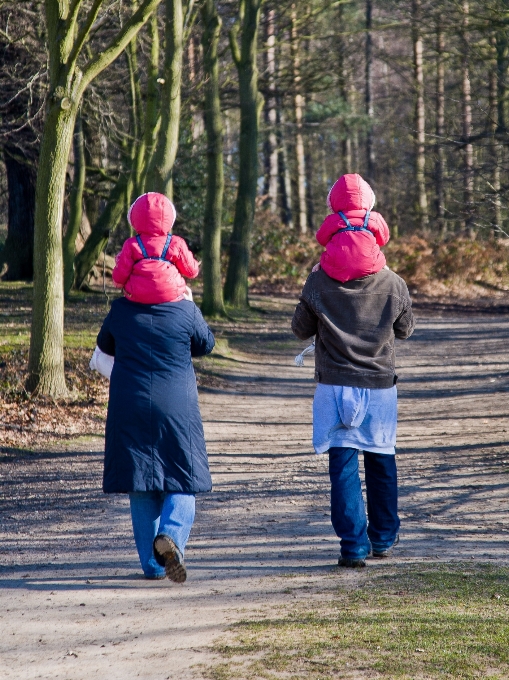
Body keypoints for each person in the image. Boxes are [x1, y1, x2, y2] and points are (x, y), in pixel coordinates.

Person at [292, 245, 415, 568]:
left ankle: (353, 546)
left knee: (343, 466)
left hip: (334, 385)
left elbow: (299, 329)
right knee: (381, 461)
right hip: (378, 387)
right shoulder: (393, 283)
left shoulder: (318, 281)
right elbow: (405, 330)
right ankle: (384, 537)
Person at [96, 293, 215, 582]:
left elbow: (104, 345)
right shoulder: (185, 309)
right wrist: (187, 302)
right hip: (175, 406)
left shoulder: (121, 310)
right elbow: (206, 343)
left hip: (130, 404)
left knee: (140, 484)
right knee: (184, 478)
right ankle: (170, 536)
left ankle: (153, 565)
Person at [112, 192, 200, 304]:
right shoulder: (176, 243)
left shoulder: (131, 244)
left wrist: (118, 282)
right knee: (195, 318)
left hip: (137, 297)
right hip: (171, 296)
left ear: (134, 216)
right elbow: (191, 272)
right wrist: (195, 264)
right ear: (170, 216)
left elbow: (119, 278)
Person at [316, 173, 390, 283]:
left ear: (333, 198)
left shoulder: (333, 220)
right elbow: (384, 239)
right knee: (383, 267)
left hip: (337, 266)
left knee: (317, 270)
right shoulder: (374, 218)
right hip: (370, 265)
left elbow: (321, 239)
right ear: (369, 197)